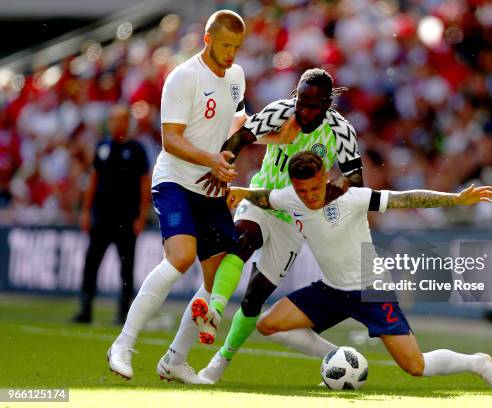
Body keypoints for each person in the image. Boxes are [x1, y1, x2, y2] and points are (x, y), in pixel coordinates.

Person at [224, 151, 492, 390]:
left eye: (315, 188)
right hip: (332, 289)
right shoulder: (290, 198)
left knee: (415, 365)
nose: (309, 196)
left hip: (371, 290)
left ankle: (476, 362)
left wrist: (455, 199)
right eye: (302, 190)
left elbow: (405, 199)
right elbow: (265, 197)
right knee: (266, 324)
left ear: (325, 177)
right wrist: (241, 193)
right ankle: (337, 357)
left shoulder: (353, 198)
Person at [159, 68, 364, 384]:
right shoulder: (281, 112)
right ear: (295, 96)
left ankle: (220, 361)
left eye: (314, 106)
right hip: (260, 200)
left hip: (295, 221)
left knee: (255, 297)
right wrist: (223, 167)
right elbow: (240, 137)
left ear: (327, 104)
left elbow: (356, 178)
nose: (305, 112)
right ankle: (213, 311)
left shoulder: (341, 131)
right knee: (243, 240)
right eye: (301, 102)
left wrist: (329, 191)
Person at [107, 9, 248, 382]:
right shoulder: (184, 77)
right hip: (174, 181)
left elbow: (234, 120)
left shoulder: (236, 77)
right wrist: (213, 159)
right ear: (207, 40)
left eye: (237, 46)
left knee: (216, 278)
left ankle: (174, 359)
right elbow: (170, 139)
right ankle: (123, 343)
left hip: (210, 186)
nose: (231, 53)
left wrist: (228, 155)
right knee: (182, 257)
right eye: (224, 45)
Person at [72, 104, 150, 325]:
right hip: (102, 217)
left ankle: (124, 313)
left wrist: (142, 216)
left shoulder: (137, 149)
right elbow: (93, 180)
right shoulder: (102, 147)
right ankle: (85, 309)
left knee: (126, 268)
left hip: (126, 218)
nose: (117, 124)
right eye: (114, 119)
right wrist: (86, 211)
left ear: (128, 122)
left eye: (121, 119)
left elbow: (145, 184)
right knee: (91, 263)